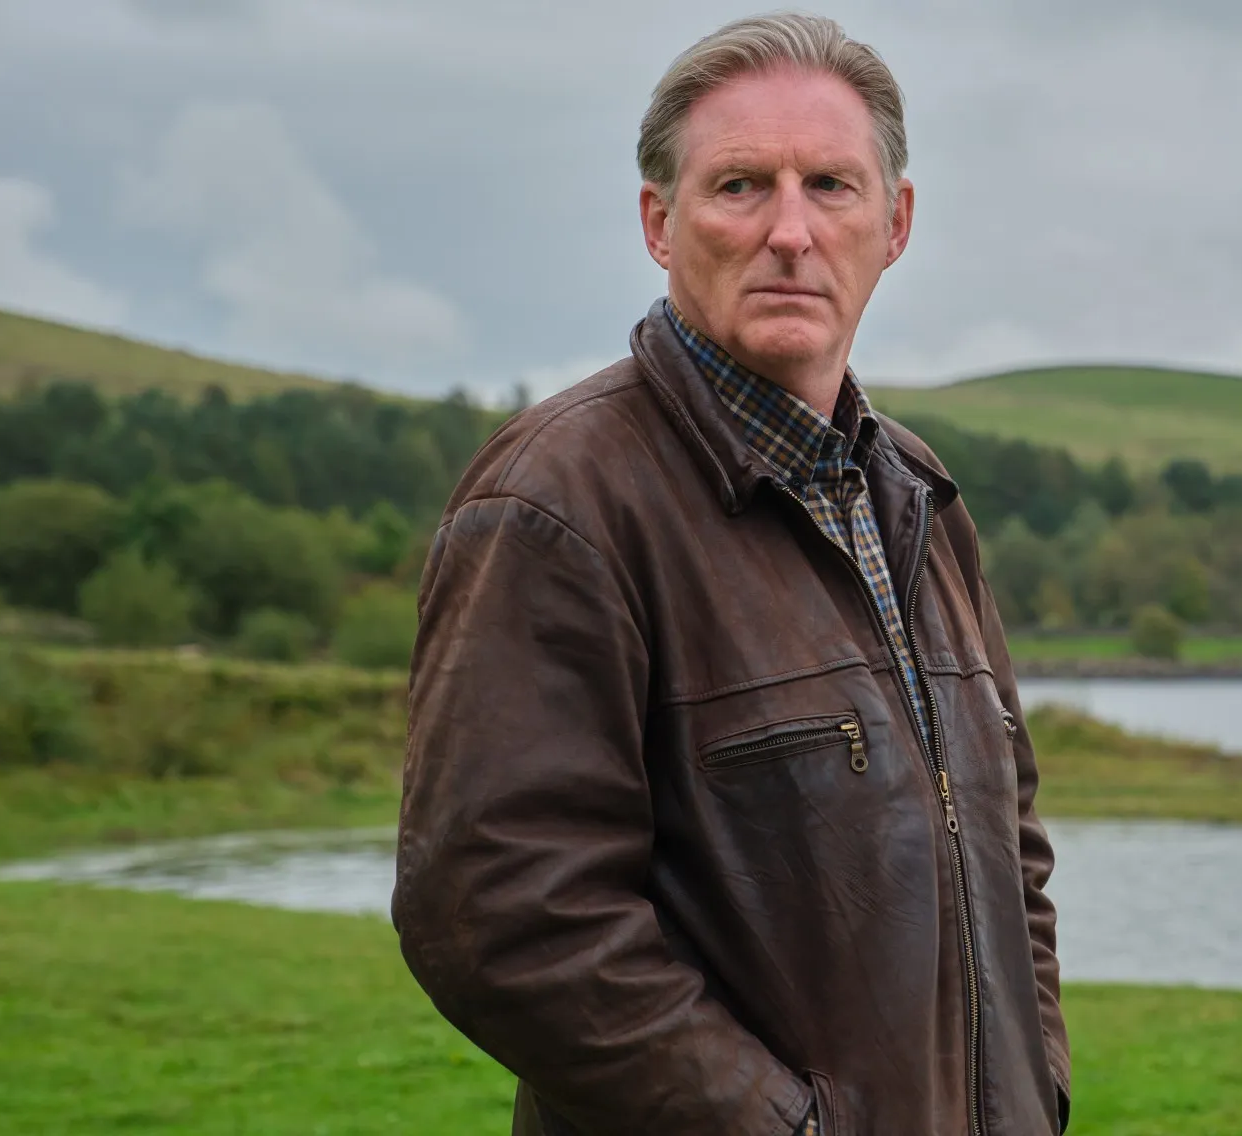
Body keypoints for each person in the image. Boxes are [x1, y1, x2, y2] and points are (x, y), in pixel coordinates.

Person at [393, 13, 1068, 1136]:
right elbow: (503, 914)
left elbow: (1012, 851)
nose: (790, 232)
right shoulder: (558, 501)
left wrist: (1035, 1092)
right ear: (660, 223)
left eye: (831, 186)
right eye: (741, 186)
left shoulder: (918, 495)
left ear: (895, 224)